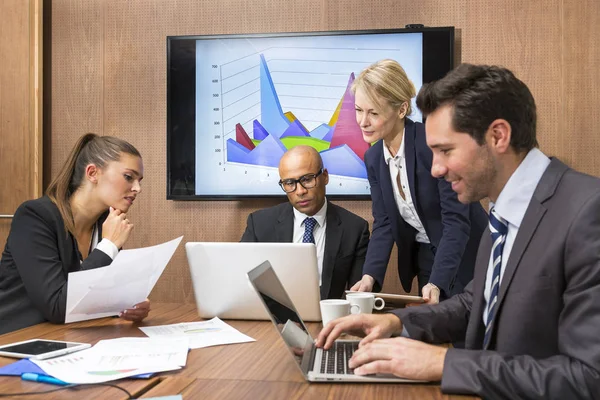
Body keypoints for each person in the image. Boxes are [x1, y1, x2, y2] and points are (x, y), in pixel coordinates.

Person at [316, 64, 600, 399]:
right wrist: (399, 323)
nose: (435, 168)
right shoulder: (504, 212)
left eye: (446, 150)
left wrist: (446, 362)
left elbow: (589, 379)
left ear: (498, 136)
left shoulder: (587, 212)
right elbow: (474, 301)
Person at [350, 59, 487, 303]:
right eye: (359, 110)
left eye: (373, 112)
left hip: (465, 253)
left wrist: (438, 281)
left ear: (402, 110)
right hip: (426, 255)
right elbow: (383, 223)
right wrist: (369, 276)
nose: (363, 121)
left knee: (464, 331)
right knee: (432, 330)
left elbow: (456, 221)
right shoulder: (373, 158)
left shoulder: (430, 144)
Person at [0, 133, 150, 335]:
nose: (137, 188)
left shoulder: (105, 224)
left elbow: (97, 295)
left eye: (139, 180)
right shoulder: (35, 217)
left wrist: (128, 305)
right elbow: (57, 306)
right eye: (128, 177)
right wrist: (108, 246)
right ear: (92, 173)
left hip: (65, 336)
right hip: (16, 339)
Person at [241, 146, 370, 300]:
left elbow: (359, 294)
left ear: (325, 176)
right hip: (275, 319)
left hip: (327, 319)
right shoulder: (259, 224)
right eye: (289, 183)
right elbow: (241, 278)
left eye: (307, 179)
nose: (300, 191)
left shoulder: (355, 229)